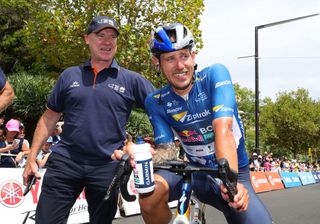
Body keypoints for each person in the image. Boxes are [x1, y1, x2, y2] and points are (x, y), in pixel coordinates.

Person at [22, 15, 154, 224]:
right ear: (87, 39)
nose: (108, 41)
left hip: (107, 166)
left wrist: (137, 145)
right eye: (101, 35)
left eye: (112, 36)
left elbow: (162, 109)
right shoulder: (69, 76)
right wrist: (31, 159)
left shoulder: (131, 80)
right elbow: (49, 118)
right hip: (66, 162)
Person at [139, 23, 272, 224]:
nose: (179, 65)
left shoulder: (214, 76)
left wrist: (231, 183)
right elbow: (167, 152)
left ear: (193, 56)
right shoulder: (155, 101)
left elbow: (223, 128)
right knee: (150, 195)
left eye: (184, 56)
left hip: (234, 174)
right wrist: (142, 156)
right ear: (156, 62)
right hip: (195, 174)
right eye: (170, 59)